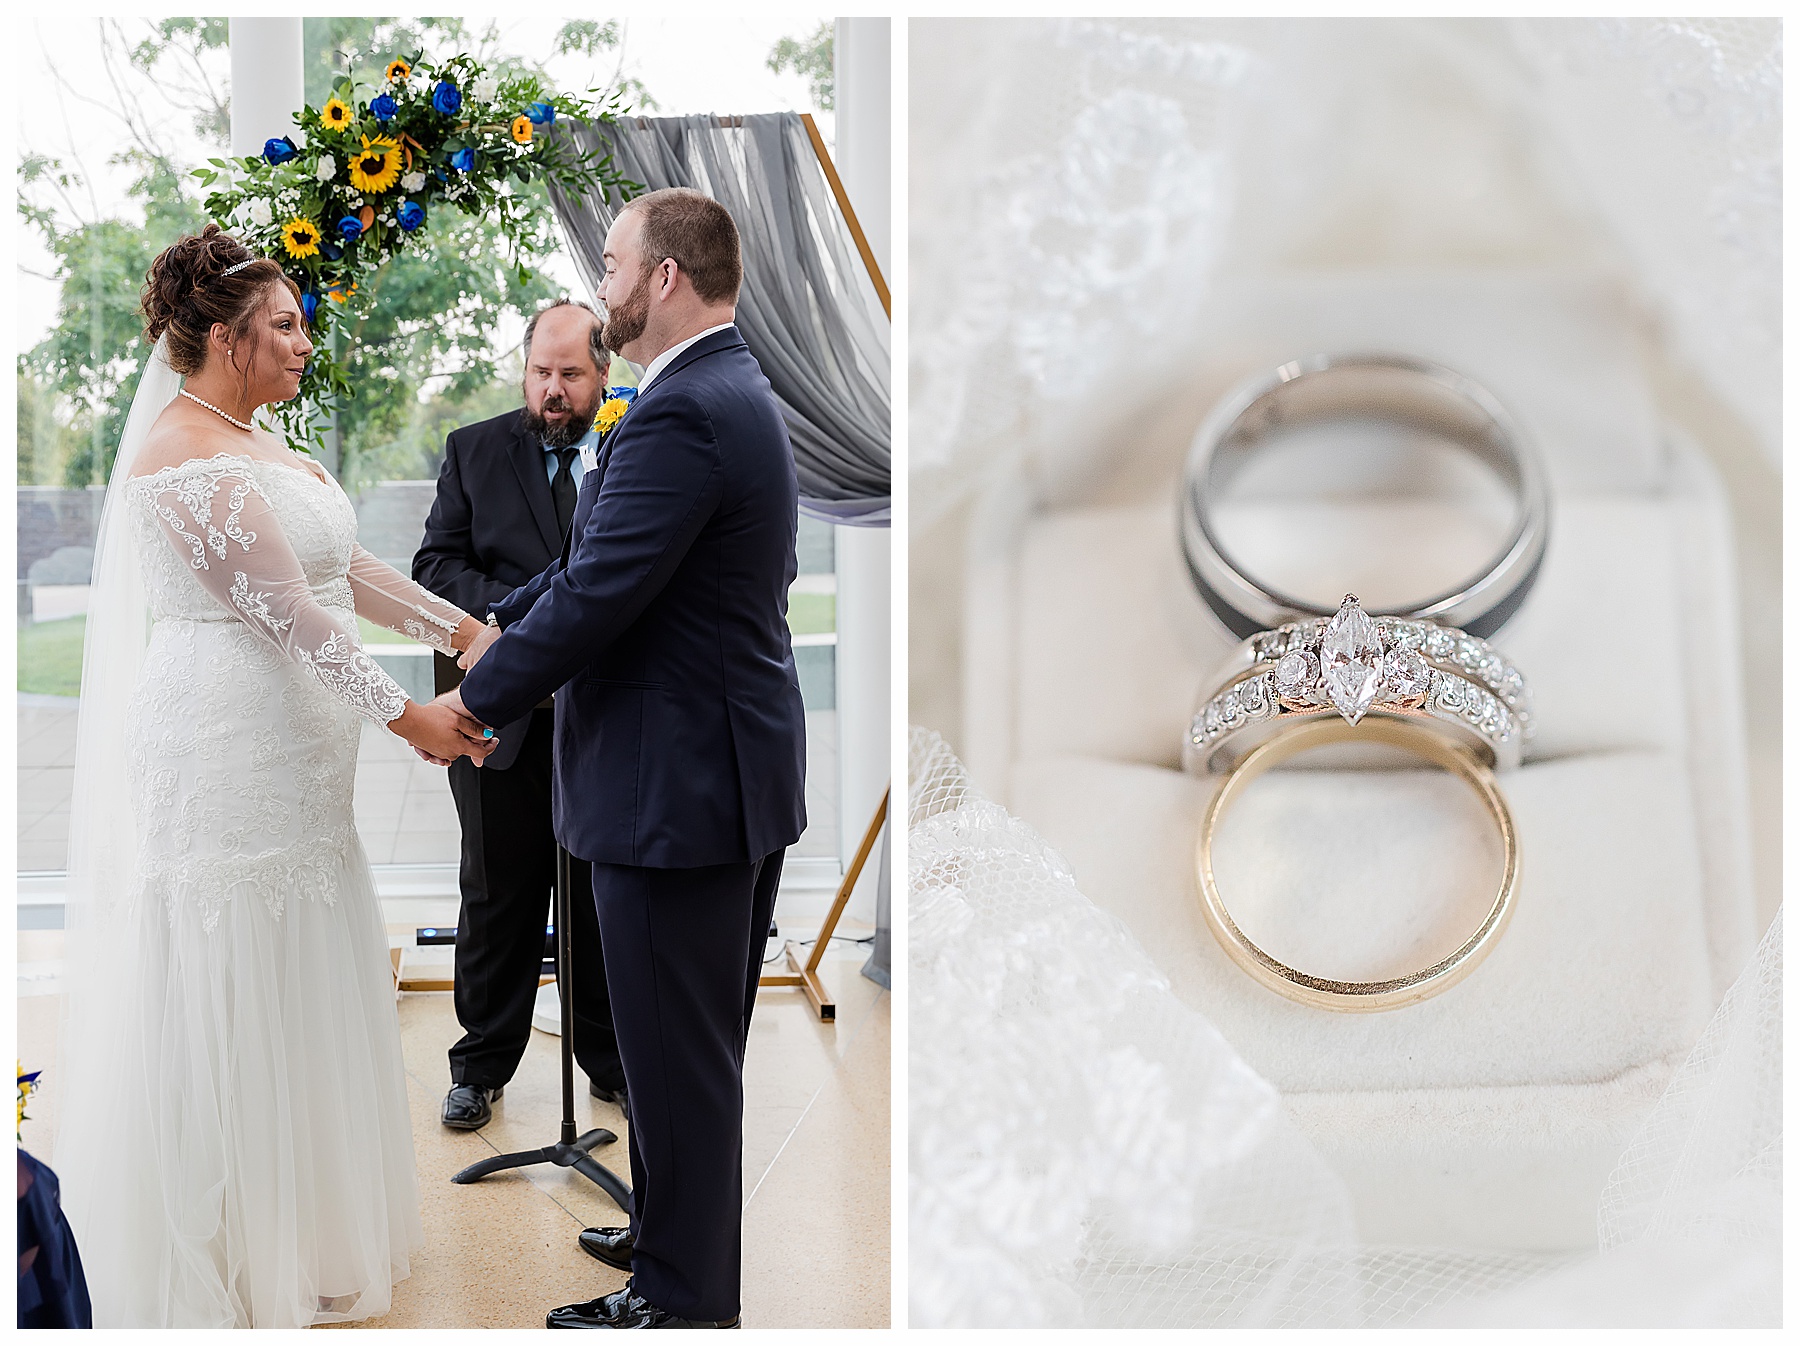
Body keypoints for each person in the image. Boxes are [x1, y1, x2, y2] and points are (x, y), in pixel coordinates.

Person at [52, 224, 496, 1328]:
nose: (306, 340)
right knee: (231, 961)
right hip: (222, 749)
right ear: (219, 336)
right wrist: (412, 717)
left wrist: (466, 629)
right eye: (285, 325)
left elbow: (345, 569)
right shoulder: (178, 452)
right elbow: (285, 612)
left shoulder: (264, 439)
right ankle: (232, 1247)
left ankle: (304, 1225)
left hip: (302, 772)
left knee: (299, 956)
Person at [448, 188, 807, 1329]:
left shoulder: (682, 410)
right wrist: (486, 625)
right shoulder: (710, 390)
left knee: (681, 1066)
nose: (600, 286)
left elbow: (602, 592)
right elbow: (602, 565)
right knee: (674, 1055)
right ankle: (667, 1232)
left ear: (660, 278)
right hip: (715, 772)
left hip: (678, 790)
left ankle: (680, 1298)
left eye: (609, 265)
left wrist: (474, 700)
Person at [412, 299, 628, 1131]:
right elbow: (434, 564)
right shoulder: (472, 450)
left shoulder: (630, 447)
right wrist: (515, 622)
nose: (553, 390)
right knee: (497, 893)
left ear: (602, 375)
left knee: (597, 897)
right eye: (542, 372)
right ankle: (480, 1065)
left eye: (571, 375)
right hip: (493, 718)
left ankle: (608, 1064)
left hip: (599, 717)